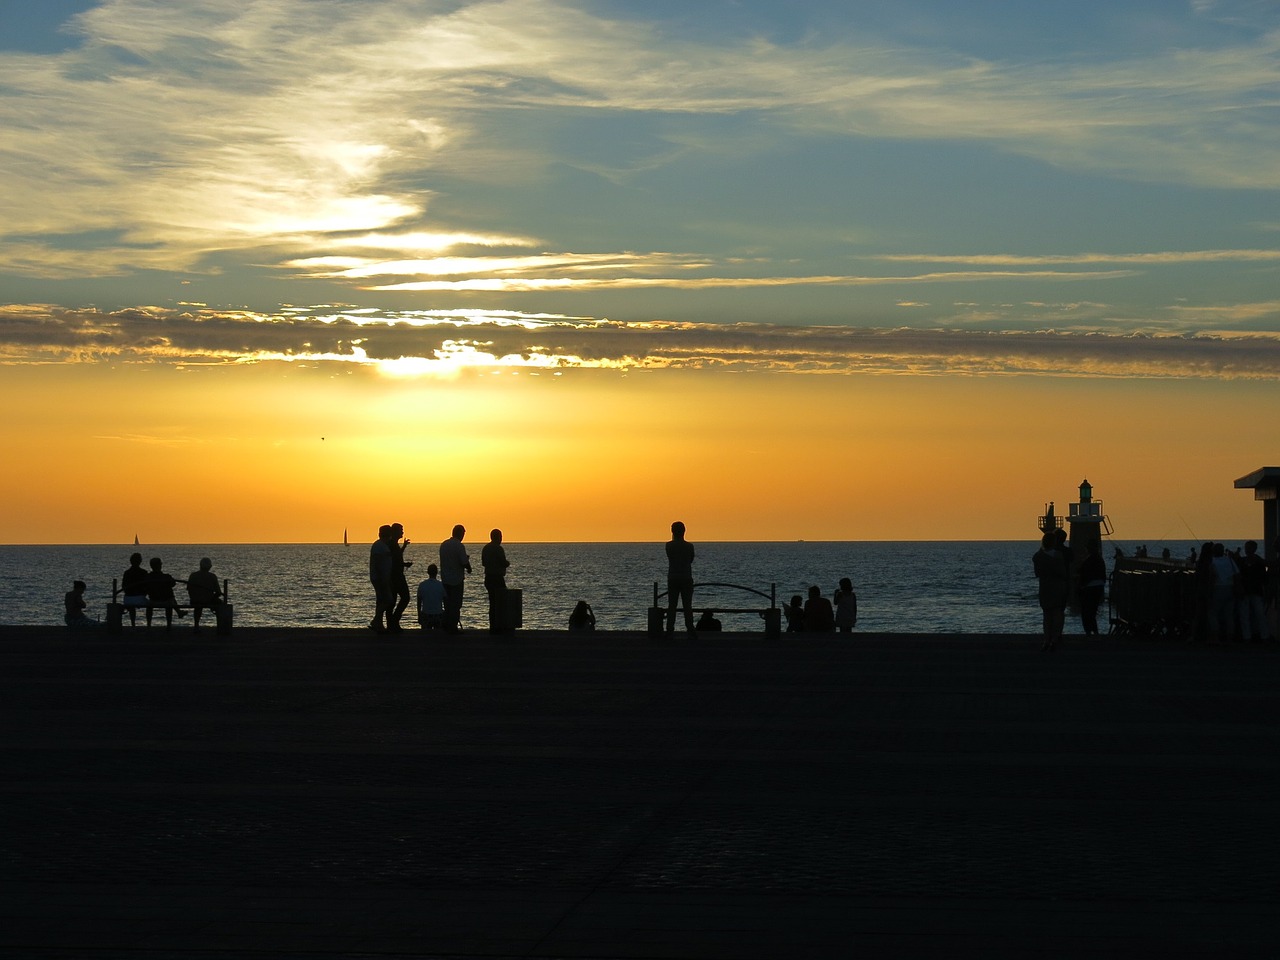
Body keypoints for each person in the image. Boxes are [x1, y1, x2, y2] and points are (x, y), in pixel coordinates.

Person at [1032, 533, 1068, 651]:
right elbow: (1062, 572)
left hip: (1045, 587)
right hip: (1057, 586)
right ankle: (1054, 639)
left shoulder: (1038, 556)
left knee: (1046, 615)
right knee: (1057, 613)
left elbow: (1037, 573)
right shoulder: (1058, 555)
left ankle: (1046, 639)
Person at [665, 521, 696, 639]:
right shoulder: (689, 546)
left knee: (672, 605)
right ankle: (690, 629)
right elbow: (690, 560)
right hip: (686, 577)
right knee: (687, 606)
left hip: (673, 577)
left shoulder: (669, 545)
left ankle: (669, 629)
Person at [439, 524, 472, 633]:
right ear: (460, 534)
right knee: (456, 604)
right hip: (456, 579)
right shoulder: (459, 546)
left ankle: (446, 624)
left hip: (445, 579)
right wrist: (469, 567)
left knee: (447, 604)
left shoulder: (443, 545)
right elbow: (463, 562)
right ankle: (453, 626)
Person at [1236, 540, 1271, 643]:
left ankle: (1264, 636)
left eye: (1249, 548)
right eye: (1247, 547)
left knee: (1259, 614)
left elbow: (1264, 578)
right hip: (1245, 591)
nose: (1247, 550)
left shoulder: (1257, 562)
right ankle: (1247, 636)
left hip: (1256, 591)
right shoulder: (1243, 561)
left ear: (1254, 549)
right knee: (1245, 615)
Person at [481, 528, 511, 634]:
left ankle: (493, 626)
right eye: (501, 537)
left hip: (488, 577)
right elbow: (503, 562)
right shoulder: (498, 549)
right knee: (501, 603)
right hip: (497, 578)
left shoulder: (485, 548)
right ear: (498, 537)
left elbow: (484, 563)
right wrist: (507, 563)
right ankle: (500, 626)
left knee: (492, 603)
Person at [1209, 542, 1238, 643]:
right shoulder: (1229, 560)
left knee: (1213, 613)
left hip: (1218, 588)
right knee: (1229, 614)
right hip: (1230, 588)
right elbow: (1236, 574)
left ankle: (1215, 636)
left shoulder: (1212, 561)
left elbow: (1212, 577)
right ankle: (1230, 637)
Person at [185, 557, 223, 634]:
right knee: (220, 604)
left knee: (198, 607)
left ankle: (196, 626)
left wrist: (193, 597)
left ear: (200, 565)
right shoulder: (212, 576)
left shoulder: (193, 575)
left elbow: (189, 589)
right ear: (210, 567)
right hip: (208, 600)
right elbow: (218, 592)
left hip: (195, 600)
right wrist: (212, 598)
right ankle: (220, 626)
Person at [1077, 541, 1107, 635]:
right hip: (1099, 585)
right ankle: (1095, 630)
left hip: (1089, 587)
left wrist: (1081, 585)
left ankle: (1088, 631)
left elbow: (1084, 573)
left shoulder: (1088, 560)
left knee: (1086, 610)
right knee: (1093, 610)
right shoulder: (1099, 559)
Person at [145, 557, 183, 630]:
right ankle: (169, 624)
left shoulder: (148, 577)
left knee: (169, 599)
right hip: (165, 601)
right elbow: (173, 583)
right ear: (160, 565)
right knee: (170, 598)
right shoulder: (166, 577)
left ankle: (148, 625)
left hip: (153, 600)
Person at [369, 524, 394, 634]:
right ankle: (375, 620)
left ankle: (379, 624)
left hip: (380, 577)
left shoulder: (380, 545)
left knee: (381, 601)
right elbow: (378, 563)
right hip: (380, 578)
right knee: (389, 600)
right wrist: (383, 578)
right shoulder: (380, 546)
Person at [388, 522, 413, 632]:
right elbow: (393, 561)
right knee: (404, 598)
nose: (402, 532)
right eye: (400, 530)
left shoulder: (394, 544)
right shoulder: (392, 544)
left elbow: (397, 557)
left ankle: (392, 623)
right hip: (396, 576)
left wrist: (403, 547)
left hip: (395, 576)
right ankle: (393, 621)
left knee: (393, 601)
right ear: (394, 532)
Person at [121, 552, 148, 626]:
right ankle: (149, 623)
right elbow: (147, 586)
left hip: (128, 598)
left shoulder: (127, 573)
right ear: (140, 561)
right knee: (150, 605)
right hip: (140, 597)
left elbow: (123, 586)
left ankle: (133, 624)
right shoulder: (143, 572)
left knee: (131, 605)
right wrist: (143, 593)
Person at [416, 563, 446, 631]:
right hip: (438, 614)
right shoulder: (441, 585)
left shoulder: (422, 585)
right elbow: (445, 602)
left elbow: (419, 602)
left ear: (427, 572)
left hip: (426, 615)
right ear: (437, 572)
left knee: (425, 635)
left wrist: (419, 615)